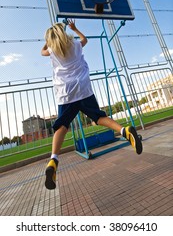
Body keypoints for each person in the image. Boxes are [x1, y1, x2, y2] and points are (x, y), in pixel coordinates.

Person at [41, 19, 142, 190]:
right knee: (99, 117)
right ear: (64, 34)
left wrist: (50, 38)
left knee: (62, 127)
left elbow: (41, 51)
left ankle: (53, 160)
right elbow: (85, 40)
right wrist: (74, 28)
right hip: (83, 88)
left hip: (66, 94)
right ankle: (124, 131)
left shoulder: (52, 50)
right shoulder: (75, 44)